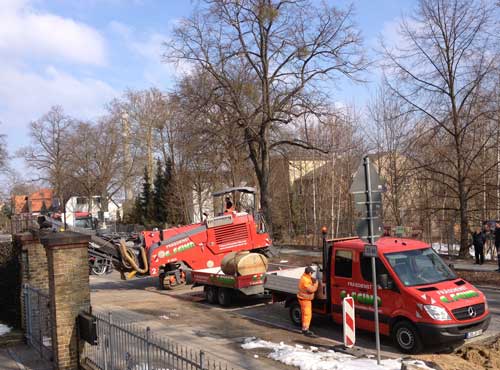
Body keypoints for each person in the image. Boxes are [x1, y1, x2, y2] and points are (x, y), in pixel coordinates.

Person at [297, 266, 319, 337]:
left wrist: (312, 280)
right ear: (309, 272)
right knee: (307, 315)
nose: (312, 273)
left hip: (304, 299)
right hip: (305, 300)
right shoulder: (305, 280)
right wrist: (316, 284)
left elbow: (309, 280)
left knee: (304, 314)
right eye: (311, 272)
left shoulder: (305, 277)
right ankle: (305, 330)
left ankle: (304, 328)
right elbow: (311, 289)